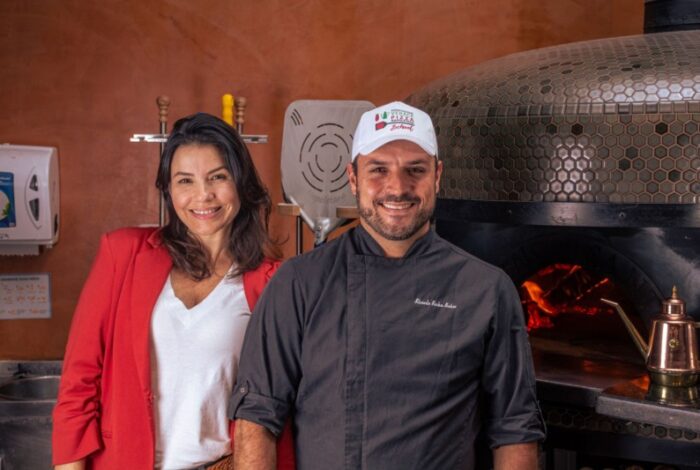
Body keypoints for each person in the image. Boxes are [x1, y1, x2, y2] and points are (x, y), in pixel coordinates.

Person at [230, 101, 545, 469]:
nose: (398, 187)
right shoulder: (299, 283)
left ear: (437, 176)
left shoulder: (486, 290)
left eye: (416, 170)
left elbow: (514, 429)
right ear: (353, 178)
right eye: (378, 169)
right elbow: (257, 416)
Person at [52, 113, 294, 469]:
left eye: (218, 177)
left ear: (241, 183)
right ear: (168, 189)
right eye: (185, 180)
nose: (203, 195)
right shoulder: (123, 254)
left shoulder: (271, 281)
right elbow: (79, 380)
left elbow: (278, 405)